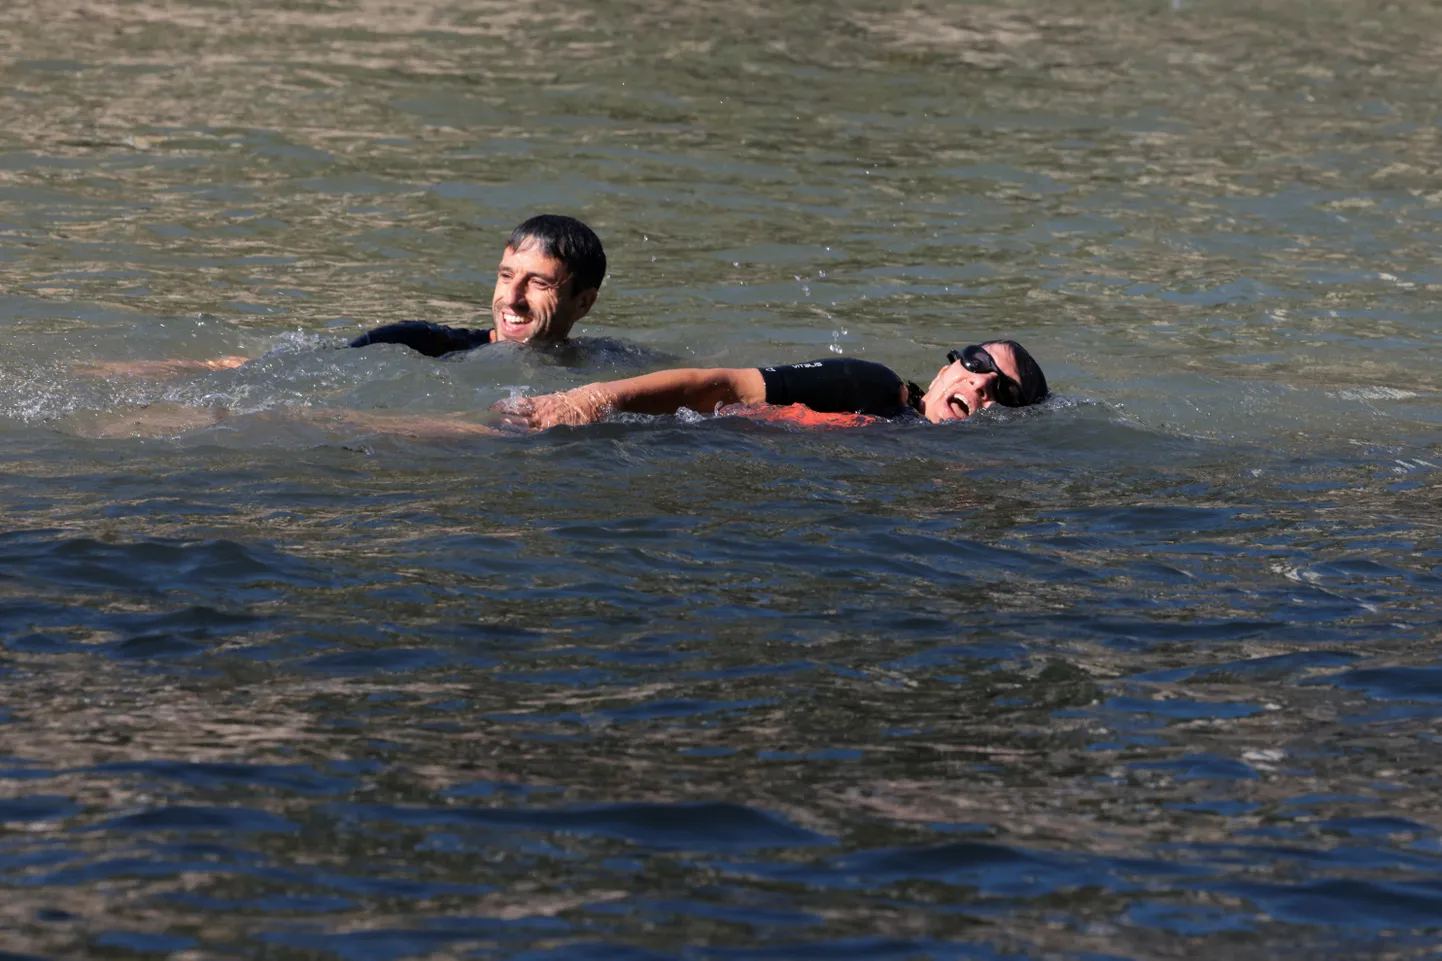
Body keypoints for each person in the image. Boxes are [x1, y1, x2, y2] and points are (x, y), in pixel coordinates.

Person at [82, 214, 607, 377]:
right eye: (504, 276)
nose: (510, 298)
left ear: (583, 303)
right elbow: (282, 370)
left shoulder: (605, 364)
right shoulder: (418, 343)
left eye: (537, 283)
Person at [508, 340, 1048, 430]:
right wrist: (589, 398)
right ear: (942, 372)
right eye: (976, 364)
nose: (981, 387)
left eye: (1004, 393)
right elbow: (718, 386)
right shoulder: (873, 388)